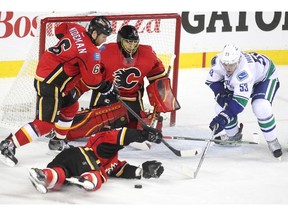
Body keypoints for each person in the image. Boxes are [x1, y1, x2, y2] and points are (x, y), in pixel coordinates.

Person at [0, 16, 118, 167]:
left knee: (71, 107)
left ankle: (57, 141)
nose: (104, 40)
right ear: (94, 33)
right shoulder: (91, 52)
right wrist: (107, 88)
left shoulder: (76, 28)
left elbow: (60, 29)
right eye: (103, 36)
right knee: (45, 124)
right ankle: (8, 144)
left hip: (49, 74)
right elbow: (92, 81)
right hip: (51, 83)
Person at [48, 24, 180, 148]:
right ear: (120, 41)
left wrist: (161, 105)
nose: (131, 45)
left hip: (132, 103)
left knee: (141, 131)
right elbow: (91, 78)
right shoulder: (105, 52)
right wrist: (74, 92)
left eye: (134, 42)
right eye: (128, 42)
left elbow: (159, 82)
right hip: (107, 97)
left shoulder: (148, 54)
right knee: (96, 123)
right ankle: (56, 127)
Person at [28, 126, 164, 194]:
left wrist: (141, 171)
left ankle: (44, 175)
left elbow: (120, 169)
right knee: (96, 176)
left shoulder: (112, 158)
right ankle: (86, 179)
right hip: (83, 158)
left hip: (68, 158)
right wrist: (143, 135)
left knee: (60, 175)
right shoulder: (102, 140)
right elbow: (121, 136)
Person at [206, 44, 282, 158]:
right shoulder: (218, 62)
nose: (228, 68)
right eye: (225, 64)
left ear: (238, 60)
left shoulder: (244, 72)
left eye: (231, 64)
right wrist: (220, 94)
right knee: (220, 107)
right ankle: (233, 136)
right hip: (247, 79)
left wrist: (223, 118)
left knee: (260, 106)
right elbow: (212, 82)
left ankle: (272, 141)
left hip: (264, 78)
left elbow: (239, 104)